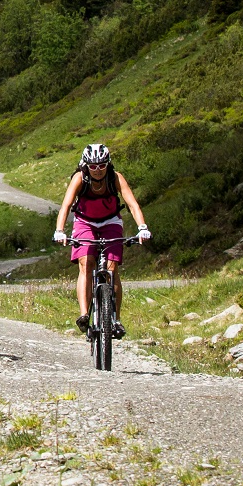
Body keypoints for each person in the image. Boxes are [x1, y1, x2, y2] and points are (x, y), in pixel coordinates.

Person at [52, 143, 150, 339]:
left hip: (110, 221)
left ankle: (116, 320)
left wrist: (142, 227)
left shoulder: (115, 178)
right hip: (84, 222)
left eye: (102, 165)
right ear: (86, 165)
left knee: (112, 269)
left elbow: (132, 204)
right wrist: (60, 231)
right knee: (86, 263)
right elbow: (66, 205)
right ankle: (84, 314)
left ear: (108, 164)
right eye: (93, 166)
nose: (97, 170)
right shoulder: (80, 178)